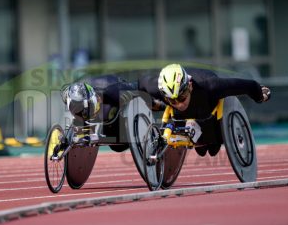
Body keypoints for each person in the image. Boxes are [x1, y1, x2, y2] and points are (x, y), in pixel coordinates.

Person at [138, 64, 271, 157]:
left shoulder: (211, 86)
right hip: (186, 119)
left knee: (212, 149)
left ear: (189, 86)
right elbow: (141, 83)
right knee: (201, 151)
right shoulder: (157, 88)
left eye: (182, 97)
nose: (178, 104)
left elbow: (247, 85)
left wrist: (259, 94)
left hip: (210, 114)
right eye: (172, 101)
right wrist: (150, 102)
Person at [61, 74, 137, 152]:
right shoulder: (71, 95)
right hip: (96, 93)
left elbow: (139, 87)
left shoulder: (112, 93)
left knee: (117, 147)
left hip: (116, 91)